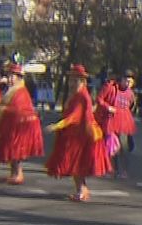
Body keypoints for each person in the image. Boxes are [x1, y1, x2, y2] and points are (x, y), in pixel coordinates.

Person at [44, 64, 111, 202]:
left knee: (77, 164)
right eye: (71, 80)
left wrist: (57, 126)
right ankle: (82, 189)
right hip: (76, 134)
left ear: (83, 81)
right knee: (77, 164)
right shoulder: (77, 95)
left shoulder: (81, 96)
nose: (72, 83)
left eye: (75, 80)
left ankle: (81, 190)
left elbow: (74, 116)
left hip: (82, 136)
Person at [0, 63, 45, 185]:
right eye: (8, 76)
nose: (9, 79)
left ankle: (17, 174)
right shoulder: (12, 91)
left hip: (23, 126)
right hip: (14, 125)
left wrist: (2, 109)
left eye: (12, 76)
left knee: (15, 150)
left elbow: (19, 109)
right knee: (11, 149)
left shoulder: (21, 92)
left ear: (18, 78)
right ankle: (14, 173)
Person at [98, 70, 138, 178]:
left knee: (123, 146)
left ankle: (124, 171)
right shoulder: (111, 87)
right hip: (112, 119)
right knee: (112, 146)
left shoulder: (130, 93)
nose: (129, 83)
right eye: (127, 80)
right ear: (122, 80)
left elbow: (132, 105)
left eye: (131, 81)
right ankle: (113, 169)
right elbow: (99, 99)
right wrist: (108, 107)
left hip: (124, 121)